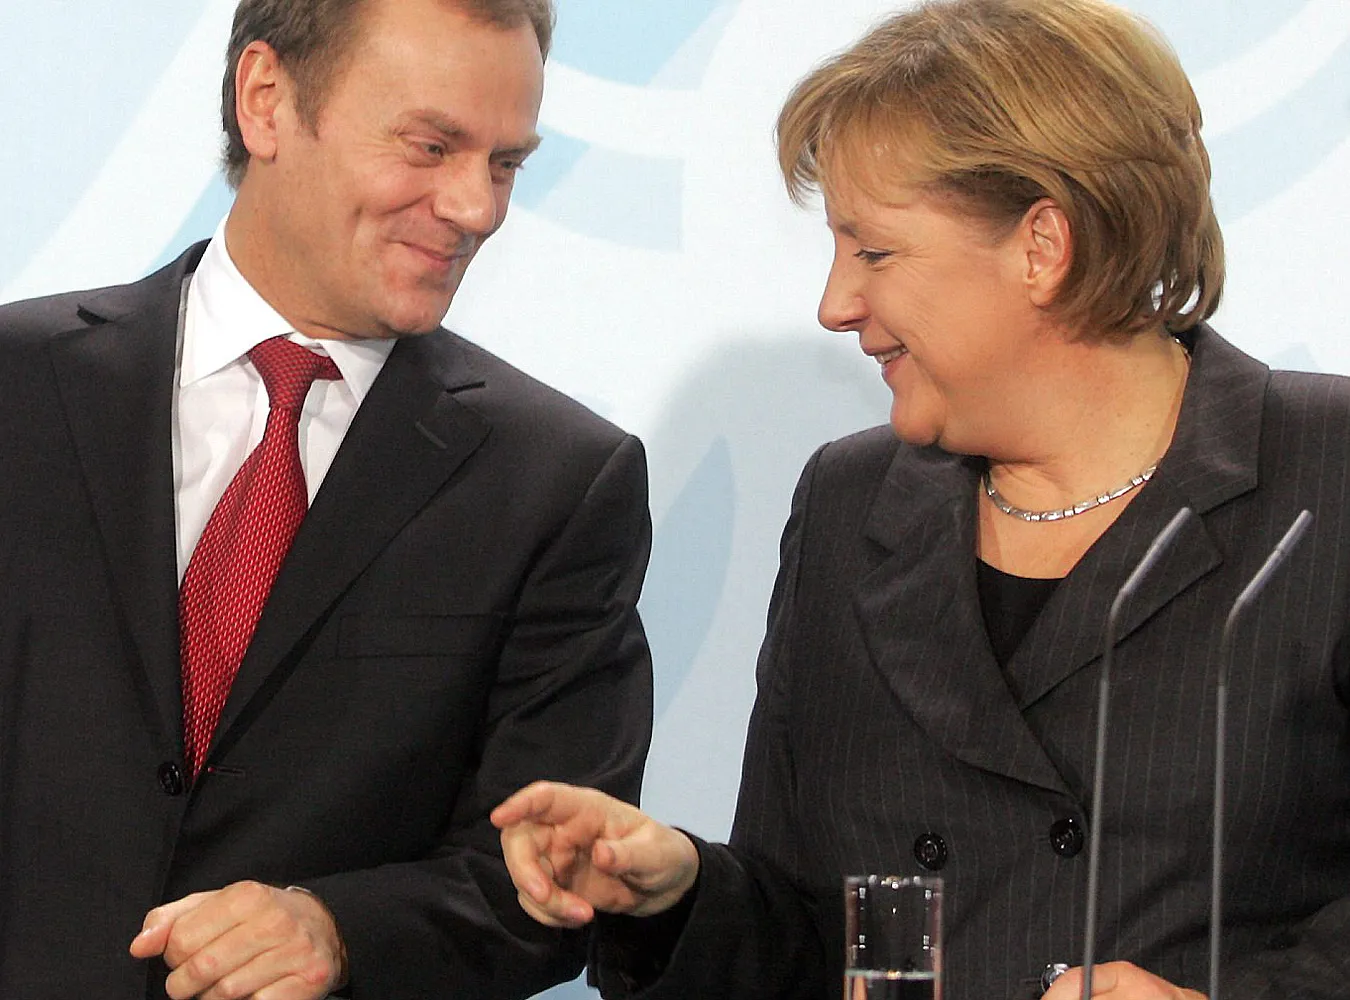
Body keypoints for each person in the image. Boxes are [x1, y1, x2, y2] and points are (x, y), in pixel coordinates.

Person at [491, 1, 1350, 998]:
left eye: (875, 252)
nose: (835, 304)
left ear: (1042, 245)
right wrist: (677, 892)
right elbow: (808, 928)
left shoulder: (1325, 474)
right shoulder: (850, 504)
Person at [0, 0, 653, 997]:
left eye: (505, 164)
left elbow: (545, 877)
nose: (476, 208)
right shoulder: (18, 388)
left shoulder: (557, 481)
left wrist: (341, 930)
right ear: (266, 100)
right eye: (431, 145)